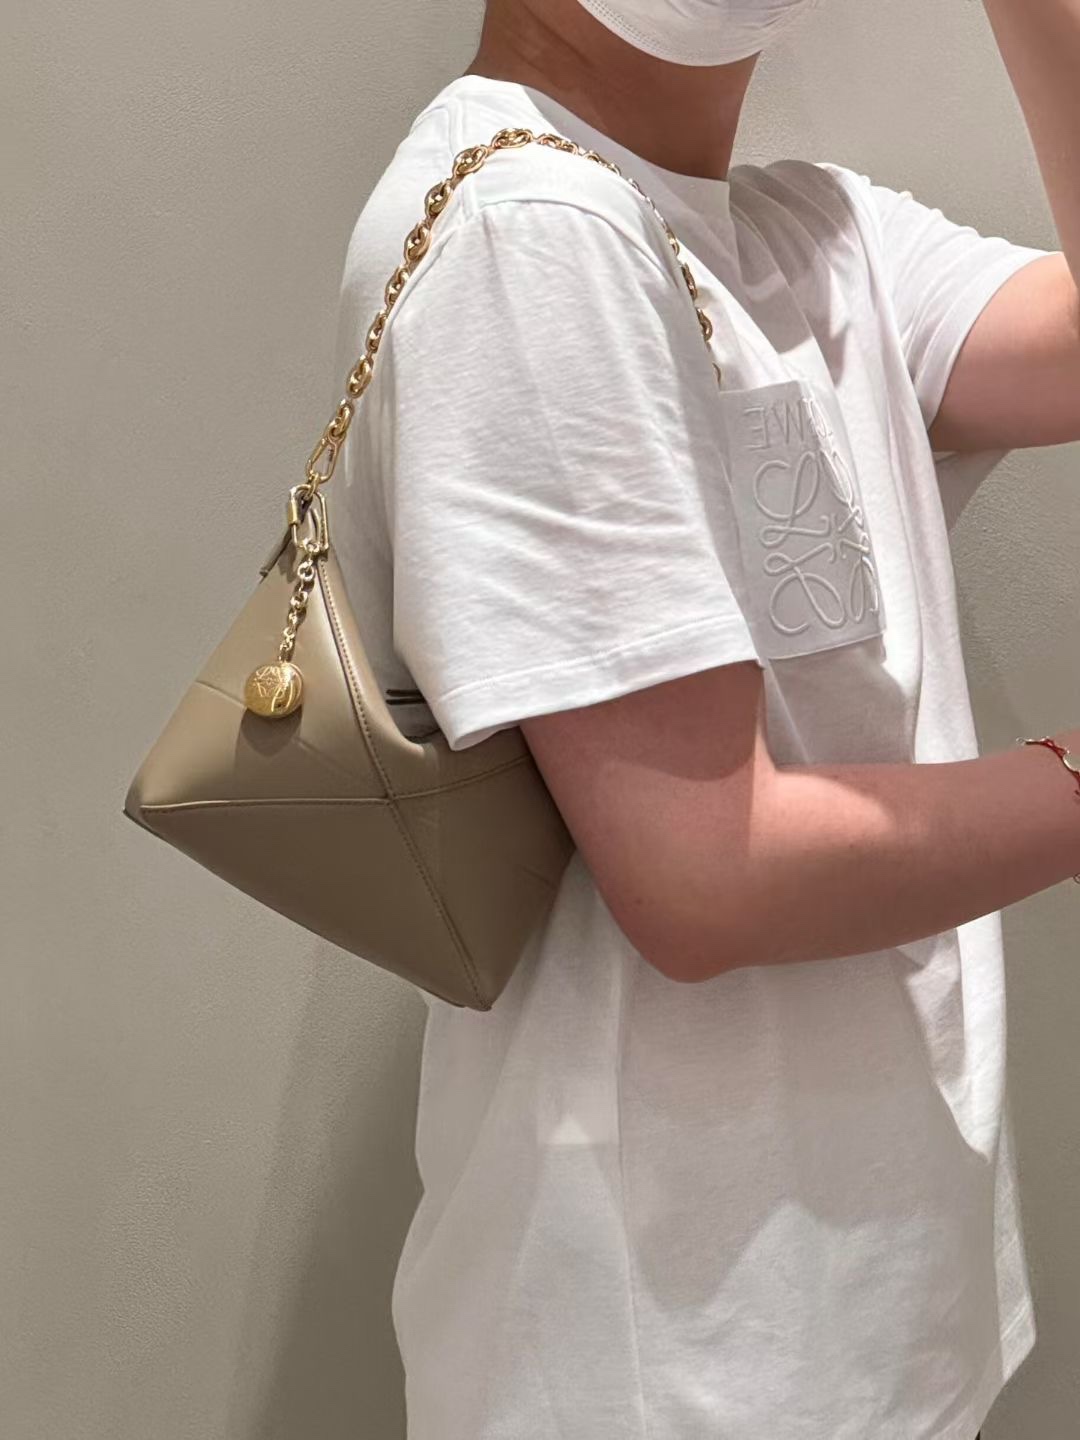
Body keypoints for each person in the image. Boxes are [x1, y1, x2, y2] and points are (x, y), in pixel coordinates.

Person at [328, 1, 1080, 1435]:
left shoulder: (810, 236)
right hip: (661, 1363)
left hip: (866, 1315)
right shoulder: (527, 227)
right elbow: (707, 871)